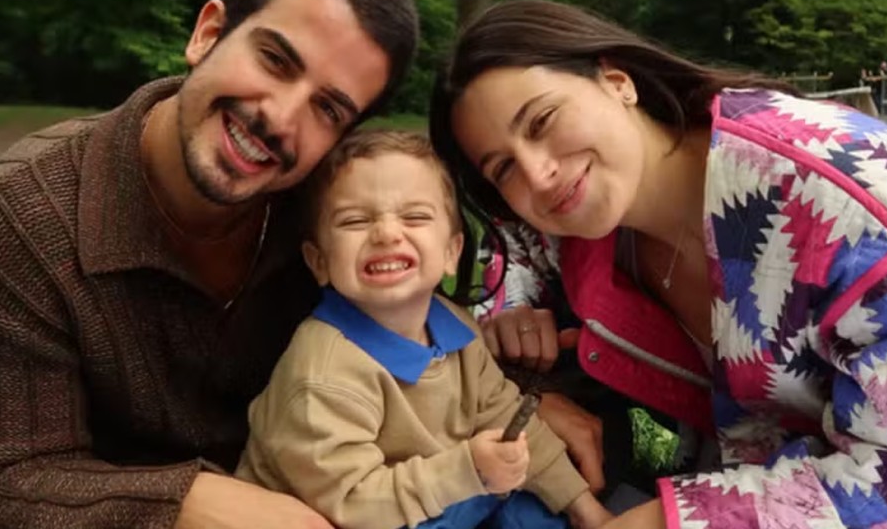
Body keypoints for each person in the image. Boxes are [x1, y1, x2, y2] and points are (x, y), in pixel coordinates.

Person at [429, 0, 887, 528]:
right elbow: (499, 284)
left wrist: (667, 521)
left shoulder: (843, 206)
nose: (538, 174)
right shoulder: (570, 231)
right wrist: (519, 382)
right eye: (503, 168)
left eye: (542, 121)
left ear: (616, 82)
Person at [0, 0, 418, 528]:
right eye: (274, 60)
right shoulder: (28, 214)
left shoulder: (336, 217)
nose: (280, 118)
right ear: (208, 34)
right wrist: (192, 504)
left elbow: (435, 347)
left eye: (328, 108)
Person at [233, 129, 612, 529]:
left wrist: (585, 508)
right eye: (355, 220)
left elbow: (505, 417)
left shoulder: (456, 327)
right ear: (319, 262)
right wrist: (467, 470)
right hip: (345, 515)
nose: (386, 233)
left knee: (527, 502)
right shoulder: (324, 375)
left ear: (451, 252)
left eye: (414, 216)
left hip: (433, 491)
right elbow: (349, 504)